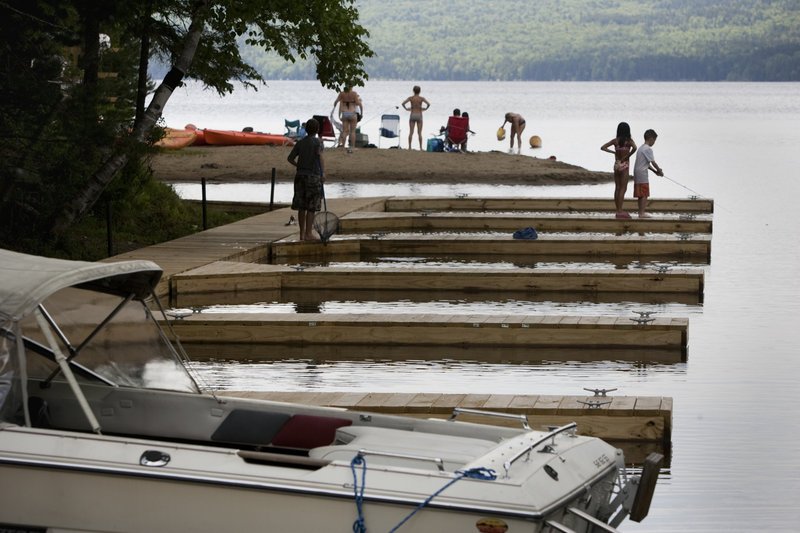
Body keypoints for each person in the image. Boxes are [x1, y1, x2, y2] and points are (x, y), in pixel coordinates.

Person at [287, 118, 325, 241]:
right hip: (313, 177)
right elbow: (320, 158)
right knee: (311, 206)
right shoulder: (318, 143)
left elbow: (290, 158)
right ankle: (309, 233)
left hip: (300, 177)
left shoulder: (300, 143)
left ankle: (302, 234)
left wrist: (299, 166)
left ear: (306, 130)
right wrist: (322, 174)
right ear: (317, 130)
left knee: (301, 206)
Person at [601, 121, 637, 218]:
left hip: (617, 165)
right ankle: (620, 211)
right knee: (623, 188)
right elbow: (635, 148)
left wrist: (613, 152)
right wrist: (628, 155)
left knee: (617, 188)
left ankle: (618, 210)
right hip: (624, 164)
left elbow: (603, 147)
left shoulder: (615, 141)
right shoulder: (629, 141)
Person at [632, 129, 664, 218]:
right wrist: (659, 170)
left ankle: (640, 212)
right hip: (642, 174)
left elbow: (647, 164)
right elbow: (653, 162)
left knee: (640, 194)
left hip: (637, 172)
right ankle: (642, 213)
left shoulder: (641, 148)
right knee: (644, 193)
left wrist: (655, 171)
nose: (654, 143)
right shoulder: (648, 149)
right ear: (651, 139)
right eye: (654, 140)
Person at [401, 85, 431, 150]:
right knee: (419, 133)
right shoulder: (421, 98)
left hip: (412, 114)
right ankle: (420, 147)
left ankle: (409, 147)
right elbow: (429, 104)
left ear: (413, 91)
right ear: (420, 91)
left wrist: (406, 109)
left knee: (411, 132)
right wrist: (425, 109)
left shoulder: (411, 98)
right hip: (419, 115)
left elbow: (403, 103)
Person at [333, 87, 361, 152]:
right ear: (352, 86)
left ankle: (343, 147)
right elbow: (358, 103)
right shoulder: (354, 94)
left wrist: (338, 113)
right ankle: (352, 147)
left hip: (344, 113)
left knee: (345, 131)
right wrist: (361, 113)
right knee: (352, 131)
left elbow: (336, 102)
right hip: (352, 113)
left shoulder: (342, 93)